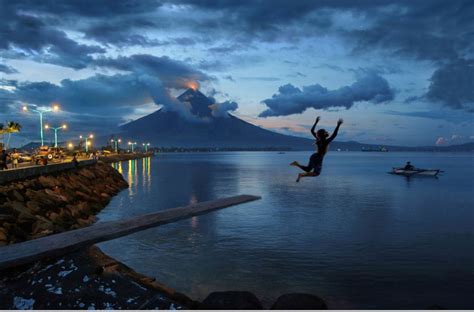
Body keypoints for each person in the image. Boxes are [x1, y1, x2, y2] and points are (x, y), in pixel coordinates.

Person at [290, 116, 343, 182]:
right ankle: (301, 174)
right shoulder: (326, 141)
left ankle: (297, 165)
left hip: (314, 156)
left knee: (308, 169)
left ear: (319, 135)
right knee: (316, 173)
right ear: (324, 134)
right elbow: (334, 135)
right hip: (319, 157)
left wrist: (316, 122)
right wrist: (338, 125)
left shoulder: (318, 139)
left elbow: (312, 131)